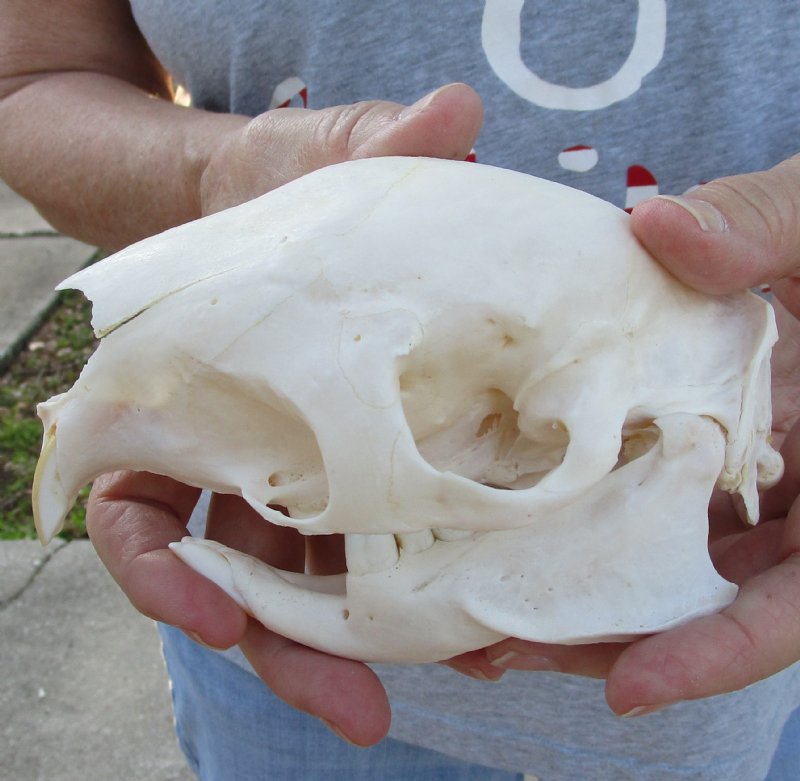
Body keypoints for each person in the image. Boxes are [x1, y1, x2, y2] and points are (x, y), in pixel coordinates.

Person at [1, 2, 799, 778]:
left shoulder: (703, 410)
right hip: (266, 666)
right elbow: (30, 80)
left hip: (744, 646)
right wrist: (210, 177)